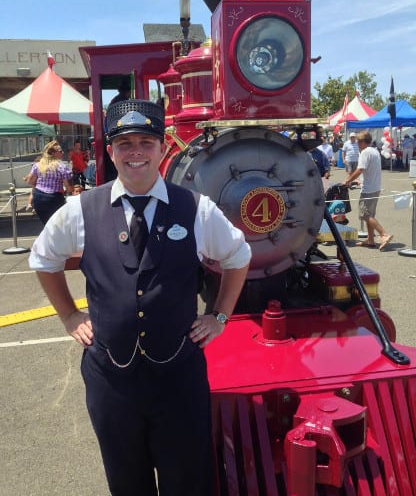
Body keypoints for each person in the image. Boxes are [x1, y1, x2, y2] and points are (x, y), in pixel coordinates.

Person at [29, 99, 251, 496]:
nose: (136, 153)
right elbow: (43, 260)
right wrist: (69, 316)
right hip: (110, 380)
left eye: (146, 142)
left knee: (186, 480)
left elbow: (239, 256)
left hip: (179, 378)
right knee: (126, 481)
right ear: (110, 151)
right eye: (125, 143)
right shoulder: (80, 209)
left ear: (163, 149)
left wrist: (219, 316)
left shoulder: (196, 209)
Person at [344, 131, 393, 251]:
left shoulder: (365, 152)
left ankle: (384, 234)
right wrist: (359, 181)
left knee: (365, 214)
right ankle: (370, 239)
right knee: (369, 215)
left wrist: (348, 181)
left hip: (369, 188)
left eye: (358, 142)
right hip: (375, 187)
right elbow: (369, 170)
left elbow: (360, 169)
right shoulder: (374, 150)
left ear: (362, 142)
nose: (357, 144)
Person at [25, 141, 73, 224]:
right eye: (60, 151)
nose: (63, 152)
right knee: (57, 224)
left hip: (38, 197)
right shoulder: (62, 167)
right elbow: (69, 187)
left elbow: (30, 181)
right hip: (54, 198)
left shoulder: (37, 165)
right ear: (53, 153)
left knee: (46, 224)